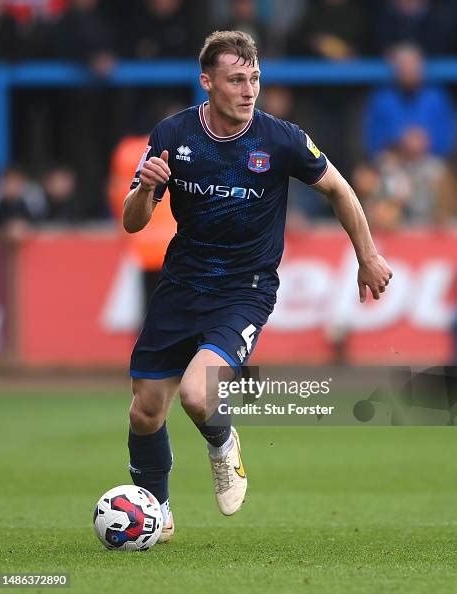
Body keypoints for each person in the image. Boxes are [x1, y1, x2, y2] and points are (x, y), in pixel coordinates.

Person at [123, 30, 392, 543]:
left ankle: (223, 445)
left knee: (200, 396)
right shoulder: (172, 135)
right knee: (145, 410)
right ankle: (157, 512)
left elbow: (338, 188)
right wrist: (148, 186)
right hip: (180, 285)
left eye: (255, 79)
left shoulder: (281, 139)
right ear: (207, 83)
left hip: (244, 289)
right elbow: (134, 221)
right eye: (236, 79)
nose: (249, 90)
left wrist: (368, 255)